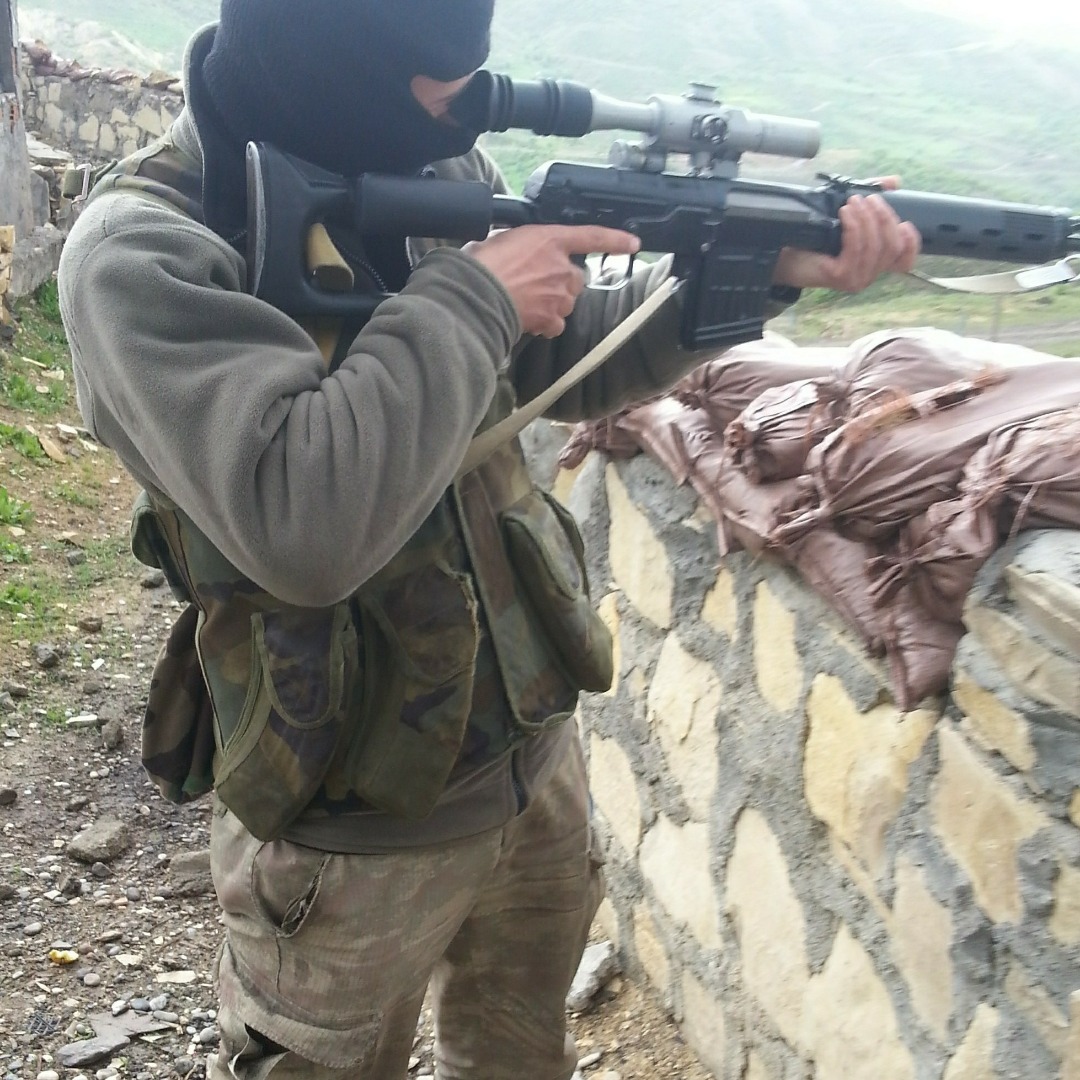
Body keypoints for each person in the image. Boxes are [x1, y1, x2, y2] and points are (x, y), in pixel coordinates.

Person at [57, 2, 920, 1077]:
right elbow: (302, 524)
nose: (463, 108)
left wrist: (751, 275)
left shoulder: (418, 155)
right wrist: (476, 294)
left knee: (517, 1053)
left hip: (527, 756)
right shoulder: (148, 251)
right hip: (345, 818)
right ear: (331, 64)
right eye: (437, 81)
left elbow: (551, 362)